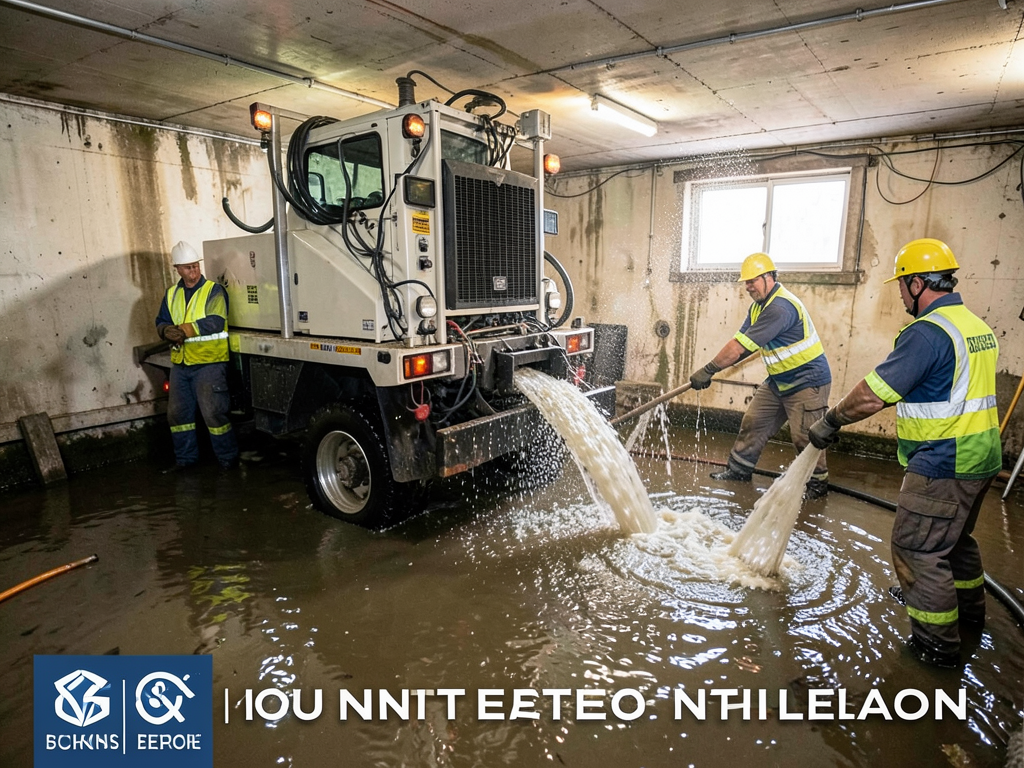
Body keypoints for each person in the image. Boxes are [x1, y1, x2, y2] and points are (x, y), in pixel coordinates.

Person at [808, 238, 1000, 669]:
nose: (898, 293)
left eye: (901, 284)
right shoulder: (975, 327)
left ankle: (936, 646)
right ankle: (969, 616)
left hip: (943, 461)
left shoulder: (927, 333)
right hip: (982, 457)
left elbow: (874, 394)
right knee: (954, 542)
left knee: (917, 551)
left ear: (917, 284)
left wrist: (831, 420)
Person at [689, 252, 832, 499]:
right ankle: (739, 470)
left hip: (807, 381)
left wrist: (709, 369)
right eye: (746, 282)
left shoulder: (780, 308)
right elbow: (743, 343)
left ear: (769, 277)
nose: (748, 287)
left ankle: (817, 485)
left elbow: (738, 348)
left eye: (752, 280)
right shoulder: (758, 307)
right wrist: (714, 368)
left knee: (805, 437)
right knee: (754, 422)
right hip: (779, 380)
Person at [155, 240, 239, 470]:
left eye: (195, 265)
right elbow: (161, 320)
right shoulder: (171, 294)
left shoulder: (213, 290)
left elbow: (216, 321)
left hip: (209, 363)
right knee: (177, 415)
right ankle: (185, 460)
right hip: (181, 364)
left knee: (214, 414)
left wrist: (183, 330)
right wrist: (165, 330)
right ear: (177, 269)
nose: (193, 270)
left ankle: (227, 460)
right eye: (188, 267)